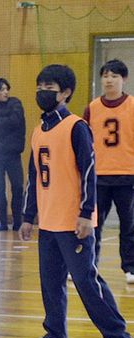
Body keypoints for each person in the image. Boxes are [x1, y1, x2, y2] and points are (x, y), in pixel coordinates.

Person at [20, 64, 134, 338]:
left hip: (74, 222)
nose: (43, 92)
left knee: (86, 280)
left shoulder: (75, 127)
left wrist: (86, 213)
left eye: (50, 88)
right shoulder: (38, 130)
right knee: (51, 281)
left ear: (66, 92)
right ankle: (55, 337)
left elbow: (88, 171)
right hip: (49, 220)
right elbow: (34, 176)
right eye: (40, 87)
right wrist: (28, 215)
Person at [84, 59, 134, 283]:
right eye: (105, 76)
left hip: (127, 174)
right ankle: (88, 265)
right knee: (93, 224)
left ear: (124, 79)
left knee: (129, 224)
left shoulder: (132, 106)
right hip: (98, 176)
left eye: (114, 76)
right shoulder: (92, 108)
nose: (109, 80)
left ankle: (130, 268)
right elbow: (83, 142)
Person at [0, 78, 26, 231]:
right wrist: (7, 123)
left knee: (18, 187)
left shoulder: (15, 103)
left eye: (7, 89)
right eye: (2, 89)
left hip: (13, 154)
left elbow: (17, 120)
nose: (6, 92)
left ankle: (18, 222)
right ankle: (2, 222)